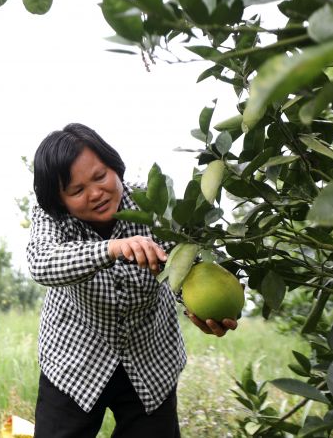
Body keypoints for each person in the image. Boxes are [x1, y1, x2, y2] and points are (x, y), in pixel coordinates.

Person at [26, 123, 237, 437]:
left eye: (100, 177)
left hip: (150, 359)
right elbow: (42, 262)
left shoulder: (153, 204)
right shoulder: (51, 215)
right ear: (60, 200)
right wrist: (111, 248)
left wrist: (204, 310)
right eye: (77, 191)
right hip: (75, 359)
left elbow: (183, 270)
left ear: (115, 167)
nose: (95, 193)